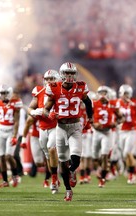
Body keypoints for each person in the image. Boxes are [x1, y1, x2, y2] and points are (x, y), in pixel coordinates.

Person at [43, 62, 93, 201]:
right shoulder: (54, 88)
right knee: (62, 160)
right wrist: (50, 114)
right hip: (61, 128)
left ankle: (72, 171)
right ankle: (68, 190)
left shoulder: (80, 87)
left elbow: (88, 103)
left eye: (72, 73)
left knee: (75, 159)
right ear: (61, 74)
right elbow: (47, 108)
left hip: (75, 126)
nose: (70, 76)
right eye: (67, 73)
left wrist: (90, 119)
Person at [28, 69, 61, 194]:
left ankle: (53, 180)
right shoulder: (39, 91)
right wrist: (34, 112)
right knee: (47, 155)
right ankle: (54, 177)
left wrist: (52, 113)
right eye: (47, 79)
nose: (49, 81)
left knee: (51, 148)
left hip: (56, 126)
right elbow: (30, 107)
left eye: (52, 79)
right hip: (42, 128)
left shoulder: (60, 92)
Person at [0, 85, 22, 188]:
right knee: (1, 157)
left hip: (10, 131)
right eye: (1, 93)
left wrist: (14, 135)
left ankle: (15, 175)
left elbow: (17, 121)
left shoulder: (15, 103)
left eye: (4, 93)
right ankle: (5, 180)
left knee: (9, 155)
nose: (2, 95)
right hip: (1, 131)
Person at [116, 84, 136, 184]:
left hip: (132, 131)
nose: (126, 96)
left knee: (127, 152)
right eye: (125, 94)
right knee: (124, 155)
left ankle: (132, 174)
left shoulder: (134, 103)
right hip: (121, 131)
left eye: (128, 94)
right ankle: (133, 171)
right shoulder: (117, 103)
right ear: (120, 93)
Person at [91, 86, 122, 188]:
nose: (102, 95)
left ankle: (102, 179)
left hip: (107, 132)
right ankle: (103, 169)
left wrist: (115, 123)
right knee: (95, 157)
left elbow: (121, 118)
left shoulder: (113, 104)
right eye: (101, 93)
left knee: (105, 154)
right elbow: (88, 117)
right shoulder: (94, 103)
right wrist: (93, 124)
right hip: (96, 133)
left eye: (104, 93)